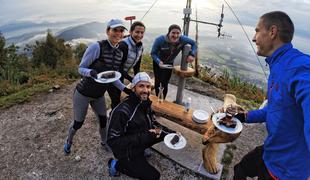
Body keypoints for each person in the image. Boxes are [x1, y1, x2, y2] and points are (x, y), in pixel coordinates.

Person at [233, 11, 310, 180]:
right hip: (271, 151)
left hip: (285, 170)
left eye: (257, 30)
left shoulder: (299, 66)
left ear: (272, 32)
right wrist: (242, 116)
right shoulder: (278, 64)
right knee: (240, 169)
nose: (254, 38)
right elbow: (276, 109)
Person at [63, 19, 131, 155]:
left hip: (99, 95)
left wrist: (126, 89)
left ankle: (104, 142)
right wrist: (90, 72)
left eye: (121, 31)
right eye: (115, 30)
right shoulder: (96, 47)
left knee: (103, 121)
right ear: (108, 31)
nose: (118, 33)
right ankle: (69, 140)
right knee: (78, 123)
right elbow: (80, 68)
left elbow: (113, 78)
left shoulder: (119, 54)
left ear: (123, 34)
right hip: (83, 93)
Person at [106, 72, 175, 179]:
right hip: (126, 152)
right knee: (154, 176)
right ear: (133, 88)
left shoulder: (145, 104)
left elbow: (152, 123)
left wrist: (171, 134)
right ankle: (116, 164)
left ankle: (141, 151)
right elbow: (113, 142)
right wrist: (146, 136)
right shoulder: (121, 111)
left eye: (148, 86)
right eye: (141, 86)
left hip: (139, 140)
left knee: (165, 135)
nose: (145, 90)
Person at [151, 24, 197, 99]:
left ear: (180, 34)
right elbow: (153, 53)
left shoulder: (183, 39)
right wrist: (158, 61)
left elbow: (194, 43)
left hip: (169, 63)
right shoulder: (160, 40)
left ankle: (162, 99)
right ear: (169, 33)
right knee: (158, 82)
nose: (175, 35)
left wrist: (192, 54)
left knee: (165, 83)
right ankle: (157, 98)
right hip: (158, 63)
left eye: (178, 33)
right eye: (173, 33)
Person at [110, 21, 145, 108]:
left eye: (142, 32)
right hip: (113, 75)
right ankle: (113, 118)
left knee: (119, 97)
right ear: (130, 32)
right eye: (137, 32)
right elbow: (118, 67)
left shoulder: (140, 46)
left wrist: (138, 79)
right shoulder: (123, 45)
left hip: (121, 74)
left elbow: (137, 65)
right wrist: (131, 79)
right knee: (116, 99)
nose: (139, 35)